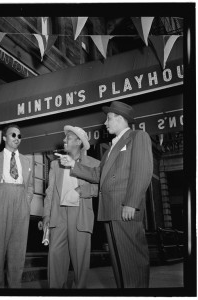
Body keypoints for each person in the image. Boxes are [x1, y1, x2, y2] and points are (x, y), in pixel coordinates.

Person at [60, 101, 153, 288]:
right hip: (111, 209)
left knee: (132, 260)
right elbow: (98, 175)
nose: (105, 123)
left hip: (125, 208)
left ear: (121, 119)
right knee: (120, 264)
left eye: (109, 118)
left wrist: (131, 203)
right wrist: (73, 165)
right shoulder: (111, 148)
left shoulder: (138, 137)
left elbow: (142, 171)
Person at [43, 126, 100, 288]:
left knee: (80, 263)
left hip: (80, 214)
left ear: (78, 142)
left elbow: (102, 188)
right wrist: (46, 216)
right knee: (54, 257)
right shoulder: (55, 164)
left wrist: (81, 190)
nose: (63, 140)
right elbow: (50, 192)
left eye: (68, 137)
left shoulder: (94, 164)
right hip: (58, 214)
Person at [0, 124, 34, 288]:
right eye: (13, 135)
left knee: (18, 252)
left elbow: (31, 186)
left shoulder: (27, 160)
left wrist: (27, 202)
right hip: (1, 199)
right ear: (5, 138)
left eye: (19, 136)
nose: (17, 139)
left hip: (21, 202)